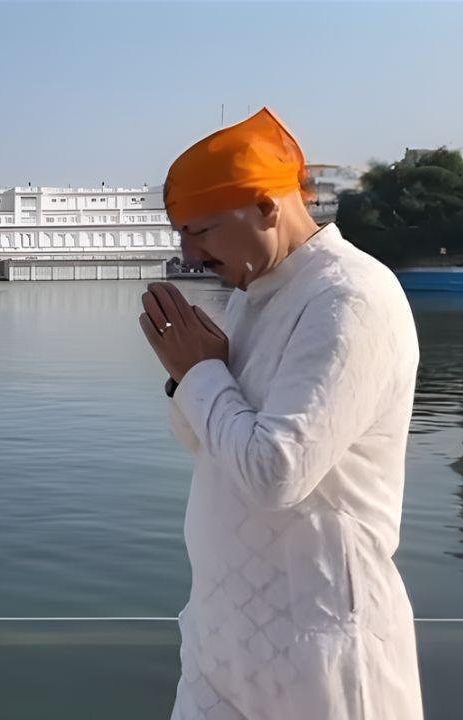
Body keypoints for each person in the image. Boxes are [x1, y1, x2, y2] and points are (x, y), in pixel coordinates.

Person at [141, 107, 422, 719]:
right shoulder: (256, 295)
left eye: (202, 231)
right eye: (181, 233)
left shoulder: (350, 299)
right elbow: (208, 443)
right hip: (222, 640)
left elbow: (276, 472)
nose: (188, 255)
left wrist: (200, 373)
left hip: (319, 648)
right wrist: (186, 377)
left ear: (268, 207)